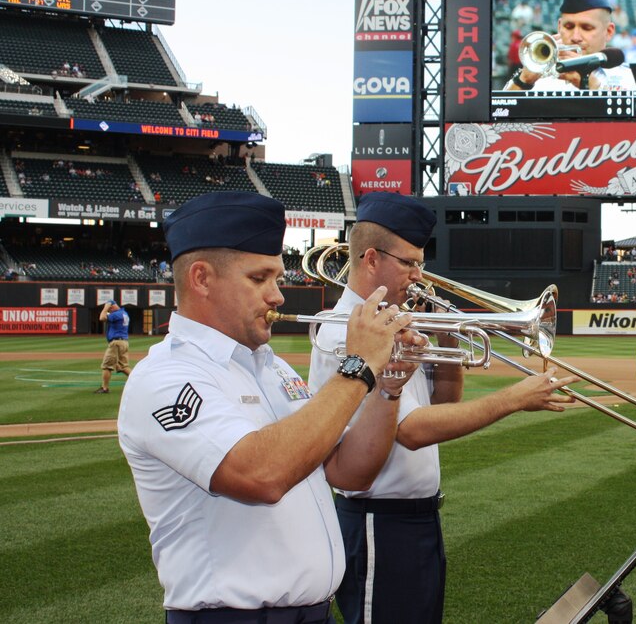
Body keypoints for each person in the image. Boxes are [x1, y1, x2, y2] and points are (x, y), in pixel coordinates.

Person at [117, 190, 421, 622]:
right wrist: (358, 368)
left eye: (277, 278)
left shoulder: (273, 369)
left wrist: (387, 388)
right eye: (259, 279)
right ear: (201, 279)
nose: (278, 295)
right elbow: (262, 474)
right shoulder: (164, 377)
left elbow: (348, 472)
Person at [308, 191, 574, 624]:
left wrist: (449, 336)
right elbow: (411, 430)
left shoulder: (398, 322)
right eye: (409, 263)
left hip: (417, 518)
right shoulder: (345, 332)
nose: (419, 275)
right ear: (371, 259)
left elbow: (446, 403)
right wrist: (512, 399)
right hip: (379, 520)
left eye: (420, 263)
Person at [503, 0, 636, 92]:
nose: (575, 37)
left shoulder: (628, 78)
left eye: (587, 28)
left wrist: (591, 86)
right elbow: (499, 117)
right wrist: (523, 80)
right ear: (559, 27)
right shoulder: (538, 75)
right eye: (569, 27)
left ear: (608, 32)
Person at [96, 300, 131, 393]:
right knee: (123, 367)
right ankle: (138, 382)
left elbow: (102, 318)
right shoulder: (124, 313)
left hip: (116, 343)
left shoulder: (117, 314)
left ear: (112, 307)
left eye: (110, 309)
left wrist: (106, 307)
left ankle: (104, 388)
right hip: (123, 342)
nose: (109, 311)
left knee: (107, 366)